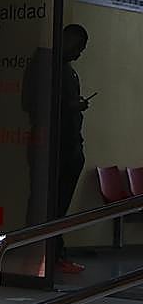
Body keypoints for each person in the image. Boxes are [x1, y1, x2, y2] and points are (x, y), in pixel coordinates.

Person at [56, 23, 90, 274]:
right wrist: (71, 106)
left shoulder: (70, 72)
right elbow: (36, 104)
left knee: (61, 204)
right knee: (53, 204)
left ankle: (56, 251)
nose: (79, 54)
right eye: (78, 47)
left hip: (71, 144)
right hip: (57, 147)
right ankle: (53, 253)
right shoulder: (51, 71)